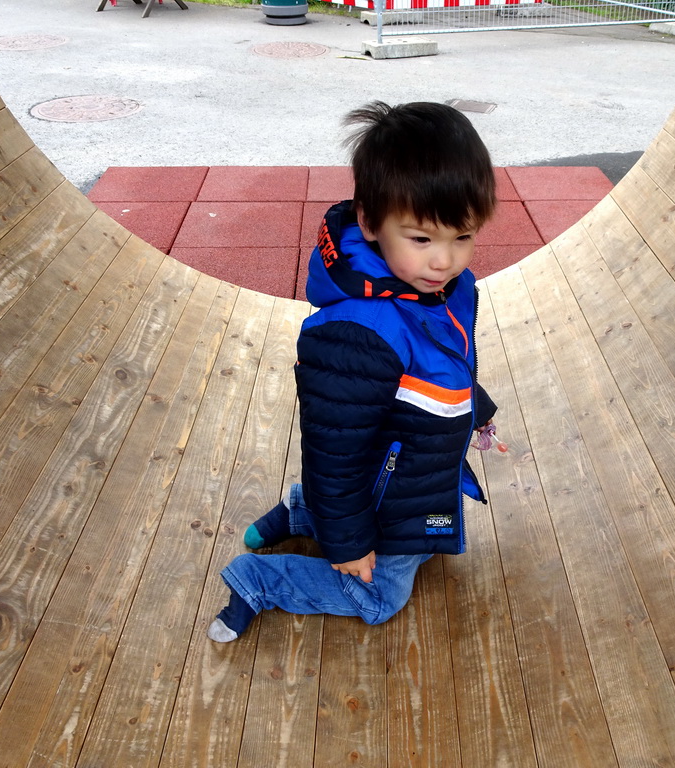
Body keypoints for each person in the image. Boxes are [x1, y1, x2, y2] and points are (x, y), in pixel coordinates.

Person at [208, 101, 498, 643]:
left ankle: (301, 514)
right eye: (422, 239)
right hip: (377, 492)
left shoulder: (447, 288)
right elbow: (333, 450)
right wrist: (347, 544)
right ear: (369, 222)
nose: (446, 261)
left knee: (428, 541)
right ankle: (260, 580)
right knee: (379, 597)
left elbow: (443, 360)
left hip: (410, 472)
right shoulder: (358, 335)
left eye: (463, 236)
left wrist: (474, 413)